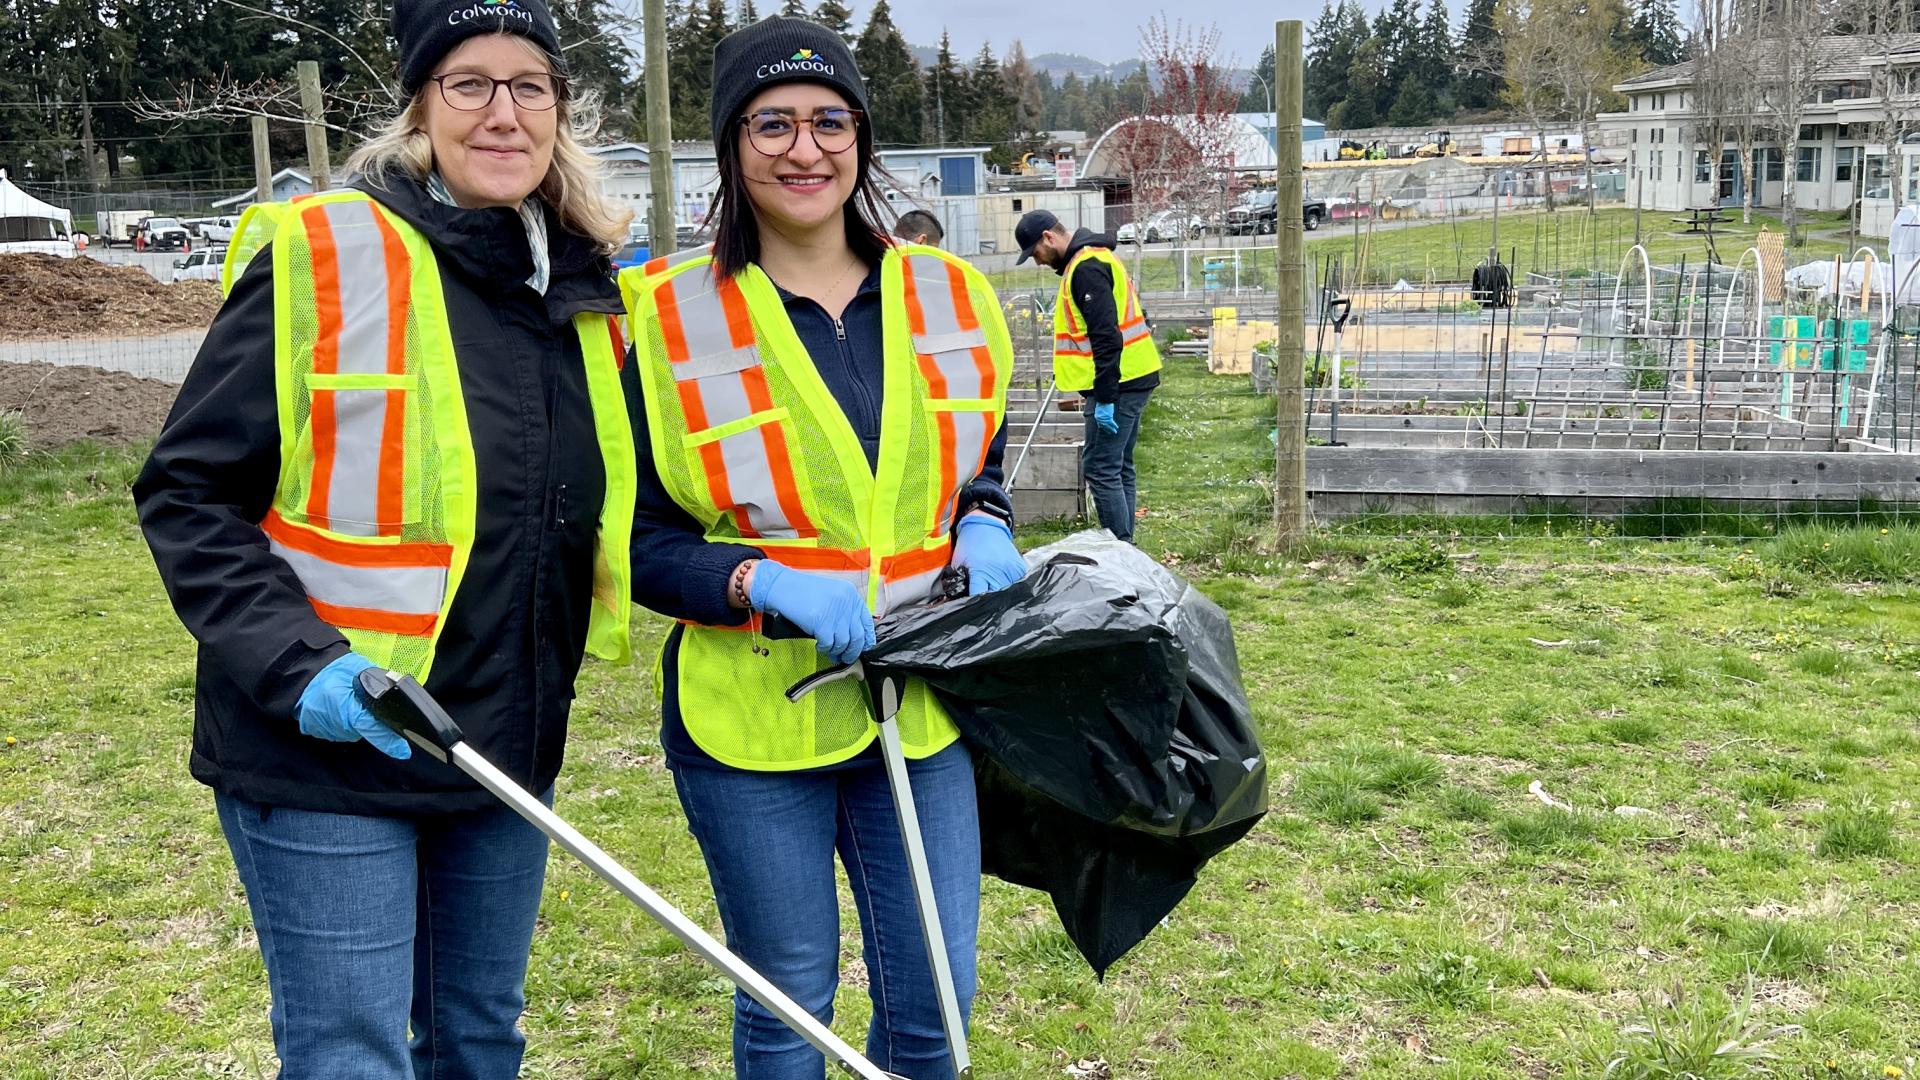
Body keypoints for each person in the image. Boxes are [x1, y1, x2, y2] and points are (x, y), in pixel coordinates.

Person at [131, 0, 639, 1073]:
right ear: (419, 107)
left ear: (561, 111)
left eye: (529, 85)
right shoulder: (324, 254)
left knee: (479, 1037)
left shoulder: (579, 288)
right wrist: (302, 666)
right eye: (469, 84)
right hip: (324, 746)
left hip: (498, 745)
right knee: (353, 1052)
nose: (503, 113)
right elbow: (187, 492)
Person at [620, 15, 1026, 1079]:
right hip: (755, 719)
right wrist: (756, 579)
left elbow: (964, 461)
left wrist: (986, 519)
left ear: (862, 138)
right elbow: (634, 536)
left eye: (829, 120)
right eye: (772, 124)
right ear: (730, 145)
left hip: (921, 705)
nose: (805, 149)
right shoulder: (665, 322)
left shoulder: (948, 295)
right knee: (790, 1005)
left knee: (937, 1002)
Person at [1014, 208, 1162, 543]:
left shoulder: (1086, 269)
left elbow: (1107, 337)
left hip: (1119, 384)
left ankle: (1120, 553)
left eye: (1035, 253)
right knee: (1118, 465)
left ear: (1048, 237)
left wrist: (1106, 398)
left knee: (1100, 468)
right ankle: (1126, 548)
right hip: (1132, 378)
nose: (1037, 261)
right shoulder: (1094, 258)